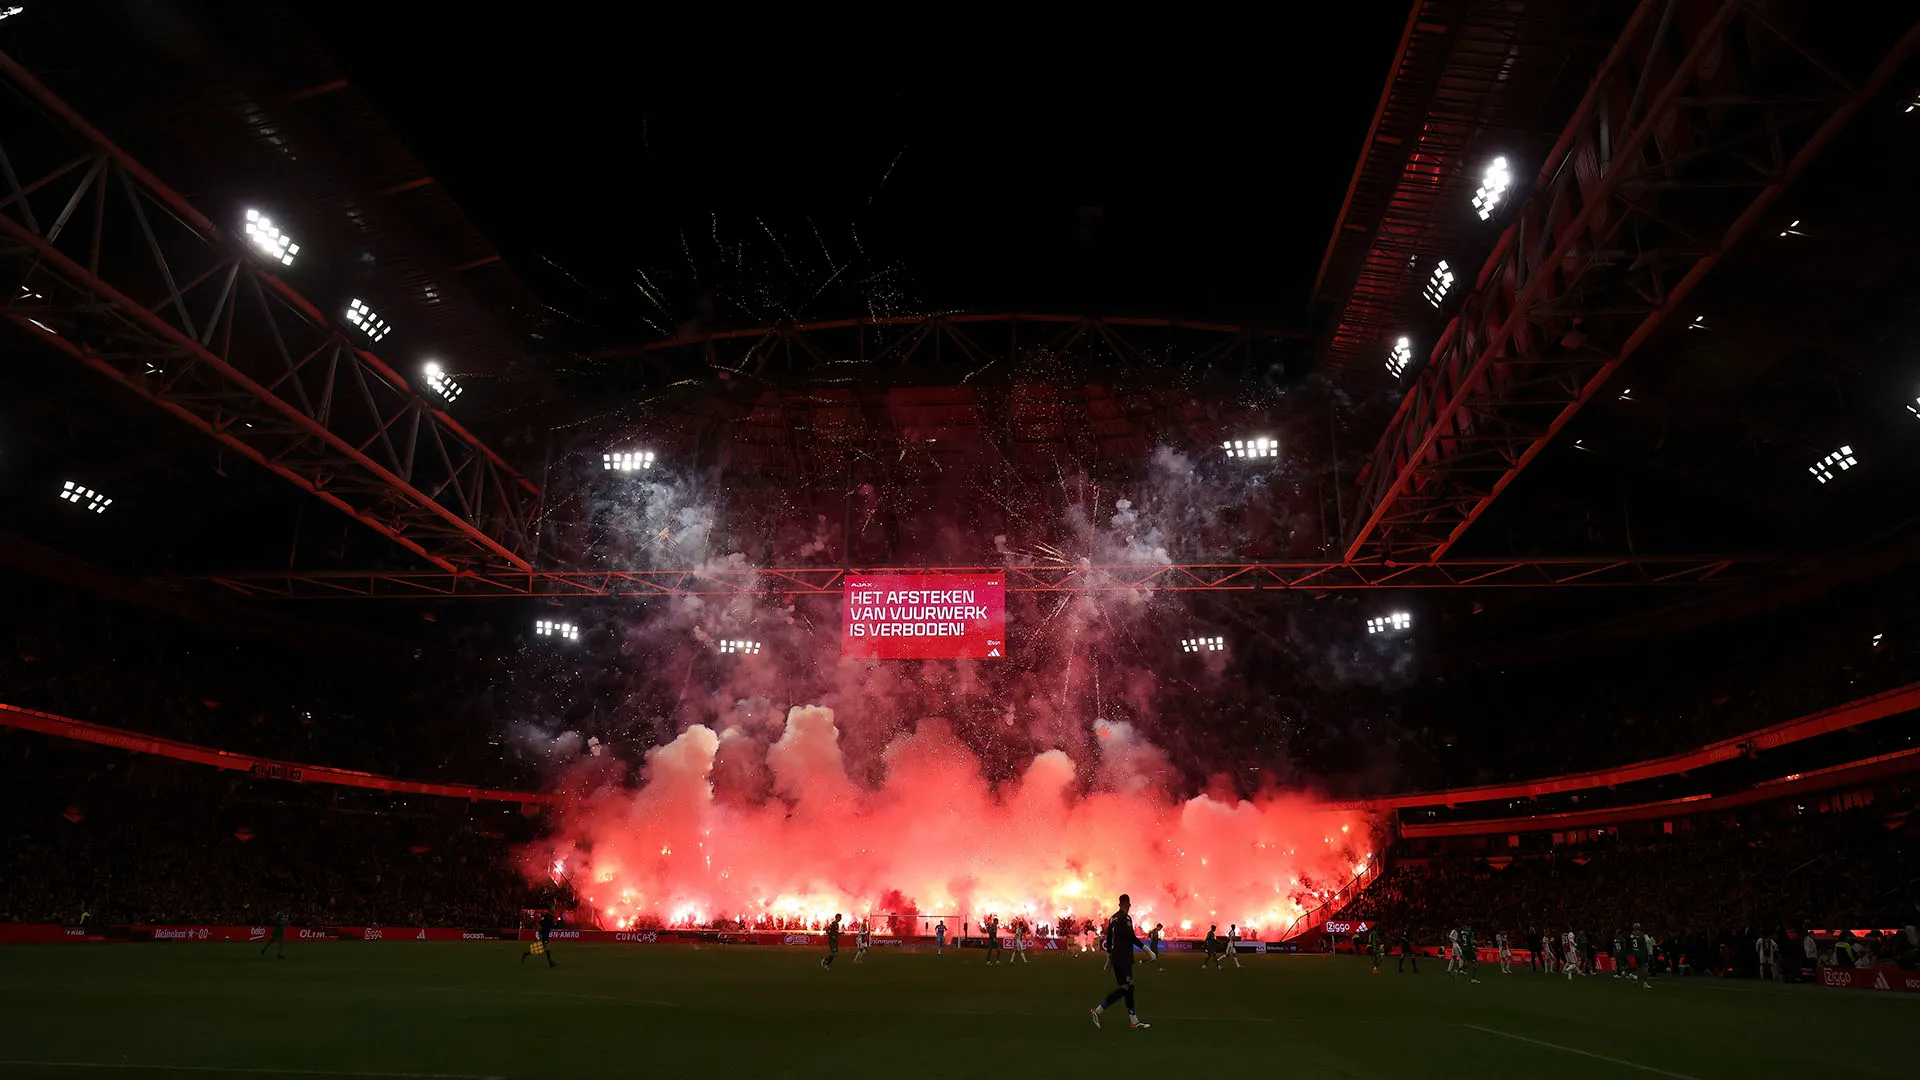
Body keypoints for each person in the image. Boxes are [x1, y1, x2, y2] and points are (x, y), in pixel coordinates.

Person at [1088, 893, 1150, 1031]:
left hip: (1117, 957)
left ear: (1119, 904)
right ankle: (1098, 1011)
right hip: (1123, 957)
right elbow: (1131, 937)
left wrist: (1108, 959)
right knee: (1125, 987)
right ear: (1128, 904)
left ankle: (1134, 1021)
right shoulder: (1125, 918)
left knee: (1129, 986)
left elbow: (1109, 940)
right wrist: (1147, 950)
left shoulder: (1112, 918)